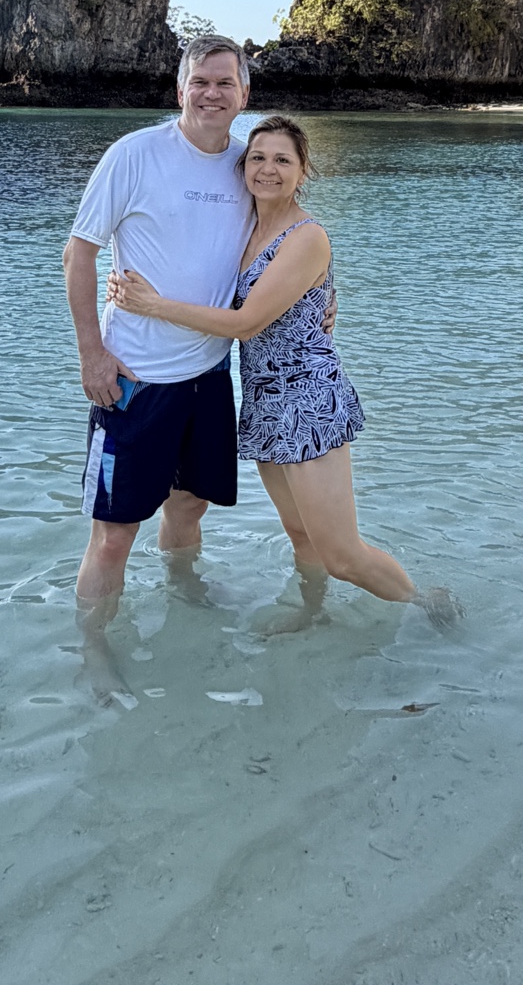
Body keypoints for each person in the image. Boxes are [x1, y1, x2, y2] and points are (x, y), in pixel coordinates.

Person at [110, 115, 457, 623]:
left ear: (302, 171)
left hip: (308, 401)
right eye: (257, 158)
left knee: (342, 555)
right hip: (265, 401)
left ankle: (429, 605)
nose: (267, 169)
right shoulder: (244, 228)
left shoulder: (305, 236)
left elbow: (246, 322)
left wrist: (154, 306)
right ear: (242, 167)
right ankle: (312, 613)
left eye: (282, 160)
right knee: (300, 534)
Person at [63, 35, 256, 618]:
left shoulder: (250, 164)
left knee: (190, 505)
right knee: (114, 533)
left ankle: (183, 601)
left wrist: (325, 294)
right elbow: (78, 254)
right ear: (180, 91)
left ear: (244, 94)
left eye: (224, 82)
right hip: (135, 378)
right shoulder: (134, 154)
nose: (211, 93)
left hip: (210, 375)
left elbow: (289, 237)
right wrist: (91, 355)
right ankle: (95, 648)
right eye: (200, 82)